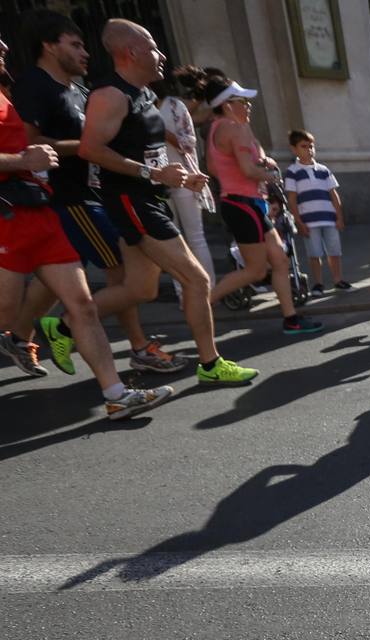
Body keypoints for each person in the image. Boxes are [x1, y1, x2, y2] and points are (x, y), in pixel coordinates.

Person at [0, 29, 173, 417]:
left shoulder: (10, 98)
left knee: (82, 304)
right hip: (7, 216)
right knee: (6, 312)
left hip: (39, 210)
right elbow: (23, 153)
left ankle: (116, 395)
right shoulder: (31, 88)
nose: (4, 48)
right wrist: (23, 161)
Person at [79, 19, 256, 386]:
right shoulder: (110, 95)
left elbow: (149, 152)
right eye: (153, 48)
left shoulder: (145, 94)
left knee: (141, 289)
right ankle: (210, 364)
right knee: (197, 279)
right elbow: (90, 150)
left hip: (150, 197)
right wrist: (151, 175)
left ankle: (65, 324)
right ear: (130, 52)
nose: (161, 56)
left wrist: (178, 174)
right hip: (131, 201)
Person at [201, 73, 321, 337]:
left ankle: (291, 319)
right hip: (244, 205)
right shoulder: (235, 128)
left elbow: (219, 165)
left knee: (279, 259)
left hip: (245, 204)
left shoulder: (219, 128)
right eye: (242, 101)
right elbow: (247, 168)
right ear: (227, 104)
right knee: (256, 271)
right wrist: (271, 175)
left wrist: (263, 162)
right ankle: (202, 303)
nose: (248, 105)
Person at [156, 64, 217, 302]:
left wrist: (163, 133)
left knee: (195, 236)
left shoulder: (174, 106)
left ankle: (208, 291)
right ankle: (183, 292)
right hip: (157, 180)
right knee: (172, 240)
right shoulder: (137, 107)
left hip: (184, 178)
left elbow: (188, 143)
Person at [284, 129, 348, 293]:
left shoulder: (323, 170)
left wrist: (339, 216)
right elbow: (292, 199)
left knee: (335, 251)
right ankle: (318, 283)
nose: (309, 150)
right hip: (309, 221)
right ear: (294, 149)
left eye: (311, 146)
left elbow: (333, 194)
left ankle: (338, 280)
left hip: (329, 218)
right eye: (304, 146)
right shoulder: (293, 172)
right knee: (314, 253)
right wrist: (299, 222)